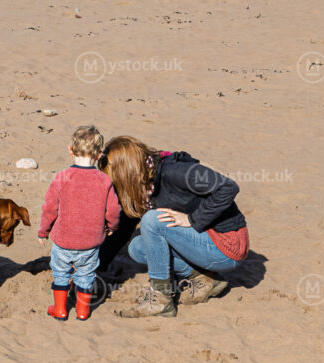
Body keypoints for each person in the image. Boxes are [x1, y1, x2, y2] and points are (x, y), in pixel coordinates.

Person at [98, 136, 250, 318]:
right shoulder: (144, 186)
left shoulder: (176, 171)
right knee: (137, 247)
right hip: (205, 242)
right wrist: (94, 266)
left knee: (152, 221)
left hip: (228, 245)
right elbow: (124, 225)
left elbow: (228, 187)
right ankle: (204, 279)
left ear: (126, 171)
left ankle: (161, 299)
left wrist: (193, 219)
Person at [38, 125, 120, 321]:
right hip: (90, 242)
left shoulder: (62, 177)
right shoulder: (104, 180)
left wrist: (43, 231)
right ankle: (83, 311)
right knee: (86, 275)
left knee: (60, 274)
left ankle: (60, 309)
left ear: (70, 149)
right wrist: (112, 227)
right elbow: (114, 211)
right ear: (100, 154)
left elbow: (50, 208)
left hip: (63, 240)